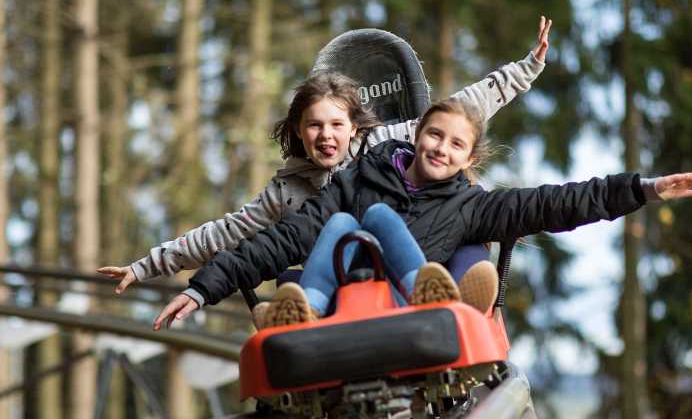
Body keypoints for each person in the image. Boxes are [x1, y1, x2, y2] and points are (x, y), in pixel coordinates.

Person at [152, 94, 692, 330]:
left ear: (470, 157)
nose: (440, 149)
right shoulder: (358, 178)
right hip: (345, 303)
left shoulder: (473, 208)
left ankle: (436, 287)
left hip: (408, 302)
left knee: (367, 220)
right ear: (416, 135)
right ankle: (302, 310)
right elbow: (285, 237)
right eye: (434, 135)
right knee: (345, 221)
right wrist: (204, 288)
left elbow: (557, 203)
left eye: (455, 144)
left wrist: (643, 189)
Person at [99, 18, 554, 306]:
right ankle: (295, 319)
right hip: (345, 276)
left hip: (407, 255)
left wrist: (526, 69)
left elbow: (461, 111)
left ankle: (462, 299)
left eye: (336, 125)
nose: (326, 136)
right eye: (314, 126)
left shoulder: (386, 145)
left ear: (354, 128)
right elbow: (223, 233)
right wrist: (147, 266)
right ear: (299, 131)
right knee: (288, 272)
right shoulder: (287, 192)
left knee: (458, 238)